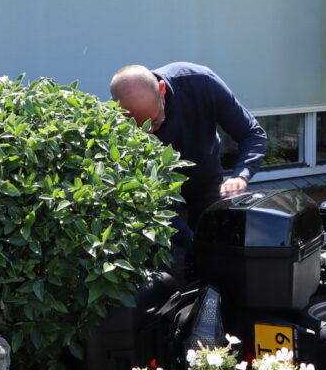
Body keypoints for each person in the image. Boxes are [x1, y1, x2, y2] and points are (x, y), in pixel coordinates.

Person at [110, 63, 267, 246]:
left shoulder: (200, 82)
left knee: (214, 243)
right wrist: (188, 241)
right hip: (156, 189)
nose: (150, 132)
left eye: (155, 121)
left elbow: (252, 134)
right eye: (141, 128)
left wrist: (241, 175)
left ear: (161, 90)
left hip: (204, 172)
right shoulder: (116, 123)